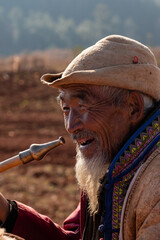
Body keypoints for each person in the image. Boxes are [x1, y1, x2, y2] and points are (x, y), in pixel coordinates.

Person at [0, 35, 160, 240]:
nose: (70, 126)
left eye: (83, 107)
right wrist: (5, 211)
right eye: (66, 109)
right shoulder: (109, 168)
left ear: (133, 107)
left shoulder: (154, 187)